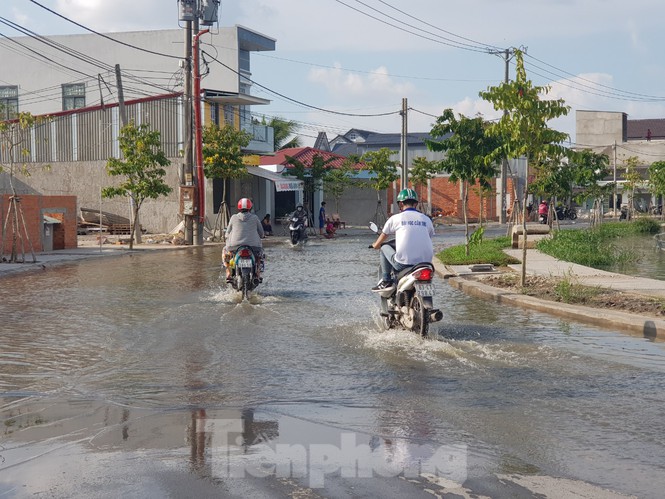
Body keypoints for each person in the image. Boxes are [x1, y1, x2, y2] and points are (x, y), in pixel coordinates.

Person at [370, 188, 434, 291]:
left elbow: (383, 236)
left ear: (400, 204)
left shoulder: (396, 218)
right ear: (416, 204)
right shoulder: (426, 219)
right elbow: (428, 237)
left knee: (383, 247)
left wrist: (375, 245)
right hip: (426, 263)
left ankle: (386, 281)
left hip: (404, 264)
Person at [223, 198, 264, 283]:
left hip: (234, 246)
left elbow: (227, 233)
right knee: (259, 256)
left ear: (239, 208)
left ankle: (228, 272)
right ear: (250, 208)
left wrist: (227, 236)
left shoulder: (233, 217)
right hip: (254, 247)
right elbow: (261, 233)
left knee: (225, 252)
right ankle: (258, 274)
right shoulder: (255, 218)